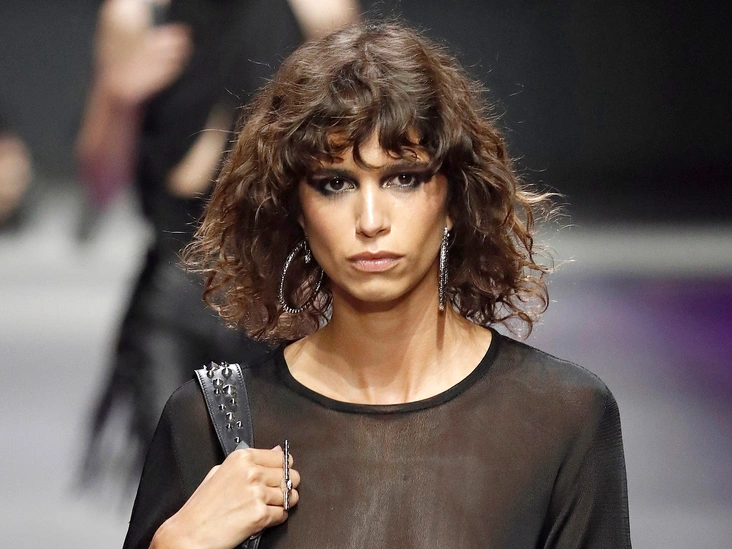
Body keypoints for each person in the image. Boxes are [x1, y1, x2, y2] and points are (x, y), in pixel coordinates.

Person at [123, 22, 631, 549]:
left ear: (454, 199)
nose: (370, 221)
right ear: (296, 210)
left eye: (403, 178)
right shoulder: (214, 424)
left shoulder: (561, 418)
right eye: (335, 183)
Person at [75, 0, 359, 486]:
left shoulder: (318, 8)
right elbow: (101, 185)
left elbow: (355, 161)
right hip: (176, 292)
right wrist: (116, 96)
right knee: (179, 495)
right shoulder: (135, 13)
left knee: (294, 494)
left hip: (286, 294)